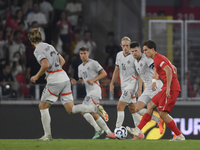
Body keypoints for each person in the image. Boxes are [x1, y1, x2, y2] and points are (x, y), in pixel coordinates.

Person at [28, 28, 106, 141]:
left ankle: (47, 135)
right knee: (71, 109)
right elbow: (62, 61)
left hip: (55, 79)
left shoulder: (37, 50)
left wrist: (37, 76)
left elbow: (45, 64)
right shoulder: (50, 46)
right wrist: (50, 72)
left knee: (43, 106)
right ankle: (94, 108)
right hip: (63, 76)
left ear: (30, 39)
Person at [126, 40, 185, 141]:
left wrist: (169, 86)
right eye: (144, 50)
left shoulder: (158, 59)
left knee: (162, 113)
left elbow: (169, 70)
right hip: (166, 87)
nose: (145, 53)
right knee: (150, 106)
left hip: (170, 88)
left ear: (152, 50)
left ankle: (179, 135)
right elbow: (173, 68)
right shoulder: (159, 58)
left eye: (146, 50)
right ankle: (138, 130)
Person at [106, 36, 144, 139]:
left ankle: (116, 131)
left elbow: (140, 73)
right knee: (133, 108)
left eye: (127, 45)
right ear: (121, 46)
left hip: (132, 85)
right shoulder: (119, 55)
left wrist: (140, 88)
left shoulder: (134, 56)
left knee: (120, 106)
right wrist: (111, 83)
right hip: (124, 85)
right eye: (124, 46)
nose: (125, 47)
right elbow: (116, 70)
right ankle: (139, 133)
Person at [71, 46, 112, 139]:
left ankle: (98, 127)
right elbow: (82, 82)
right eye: (81, 54)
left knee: (82, 109)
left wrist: (93, 79)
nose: (83, 55)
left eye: (85, 53)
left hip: (95, 90)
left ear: (88, 54)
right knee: (93, 114)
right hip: (89, 92)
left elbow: (104, 73)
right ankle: (109, 133)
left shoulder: (93, 63)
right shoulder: (80, 67)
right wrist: (75, 82)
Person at [129, 41, 164, 135]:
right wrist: (140, 88)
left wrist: (153, 81)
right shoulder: (135, 62)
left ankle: (177, 133)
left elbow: (156, 68)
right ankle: (158, 120)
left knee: (161, 112)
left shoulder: (146, 59)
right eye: (132, 51)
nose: (134, 53)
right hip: (148, 88)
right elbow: (141, 75)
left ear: (140, 50)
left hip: (156, 86)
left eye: (136, 51)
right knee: (137, 109)